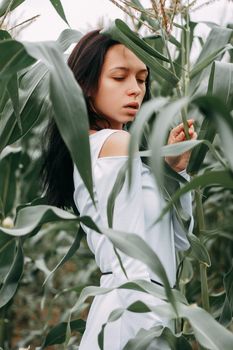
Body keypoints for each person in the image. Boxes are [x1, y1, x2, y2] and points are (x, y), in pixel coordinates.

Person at [42, 29, 197, 349]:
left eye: (141, 79)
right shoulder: (115, 144)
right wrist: (153, 334)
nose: (135, 90)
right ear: (85, 85)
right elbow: (133, 264)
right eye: (119, 77)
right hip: (136, 319)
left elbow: (179, 242)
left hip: (138, 313)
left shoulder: (102, 149)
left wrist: (174, 172)